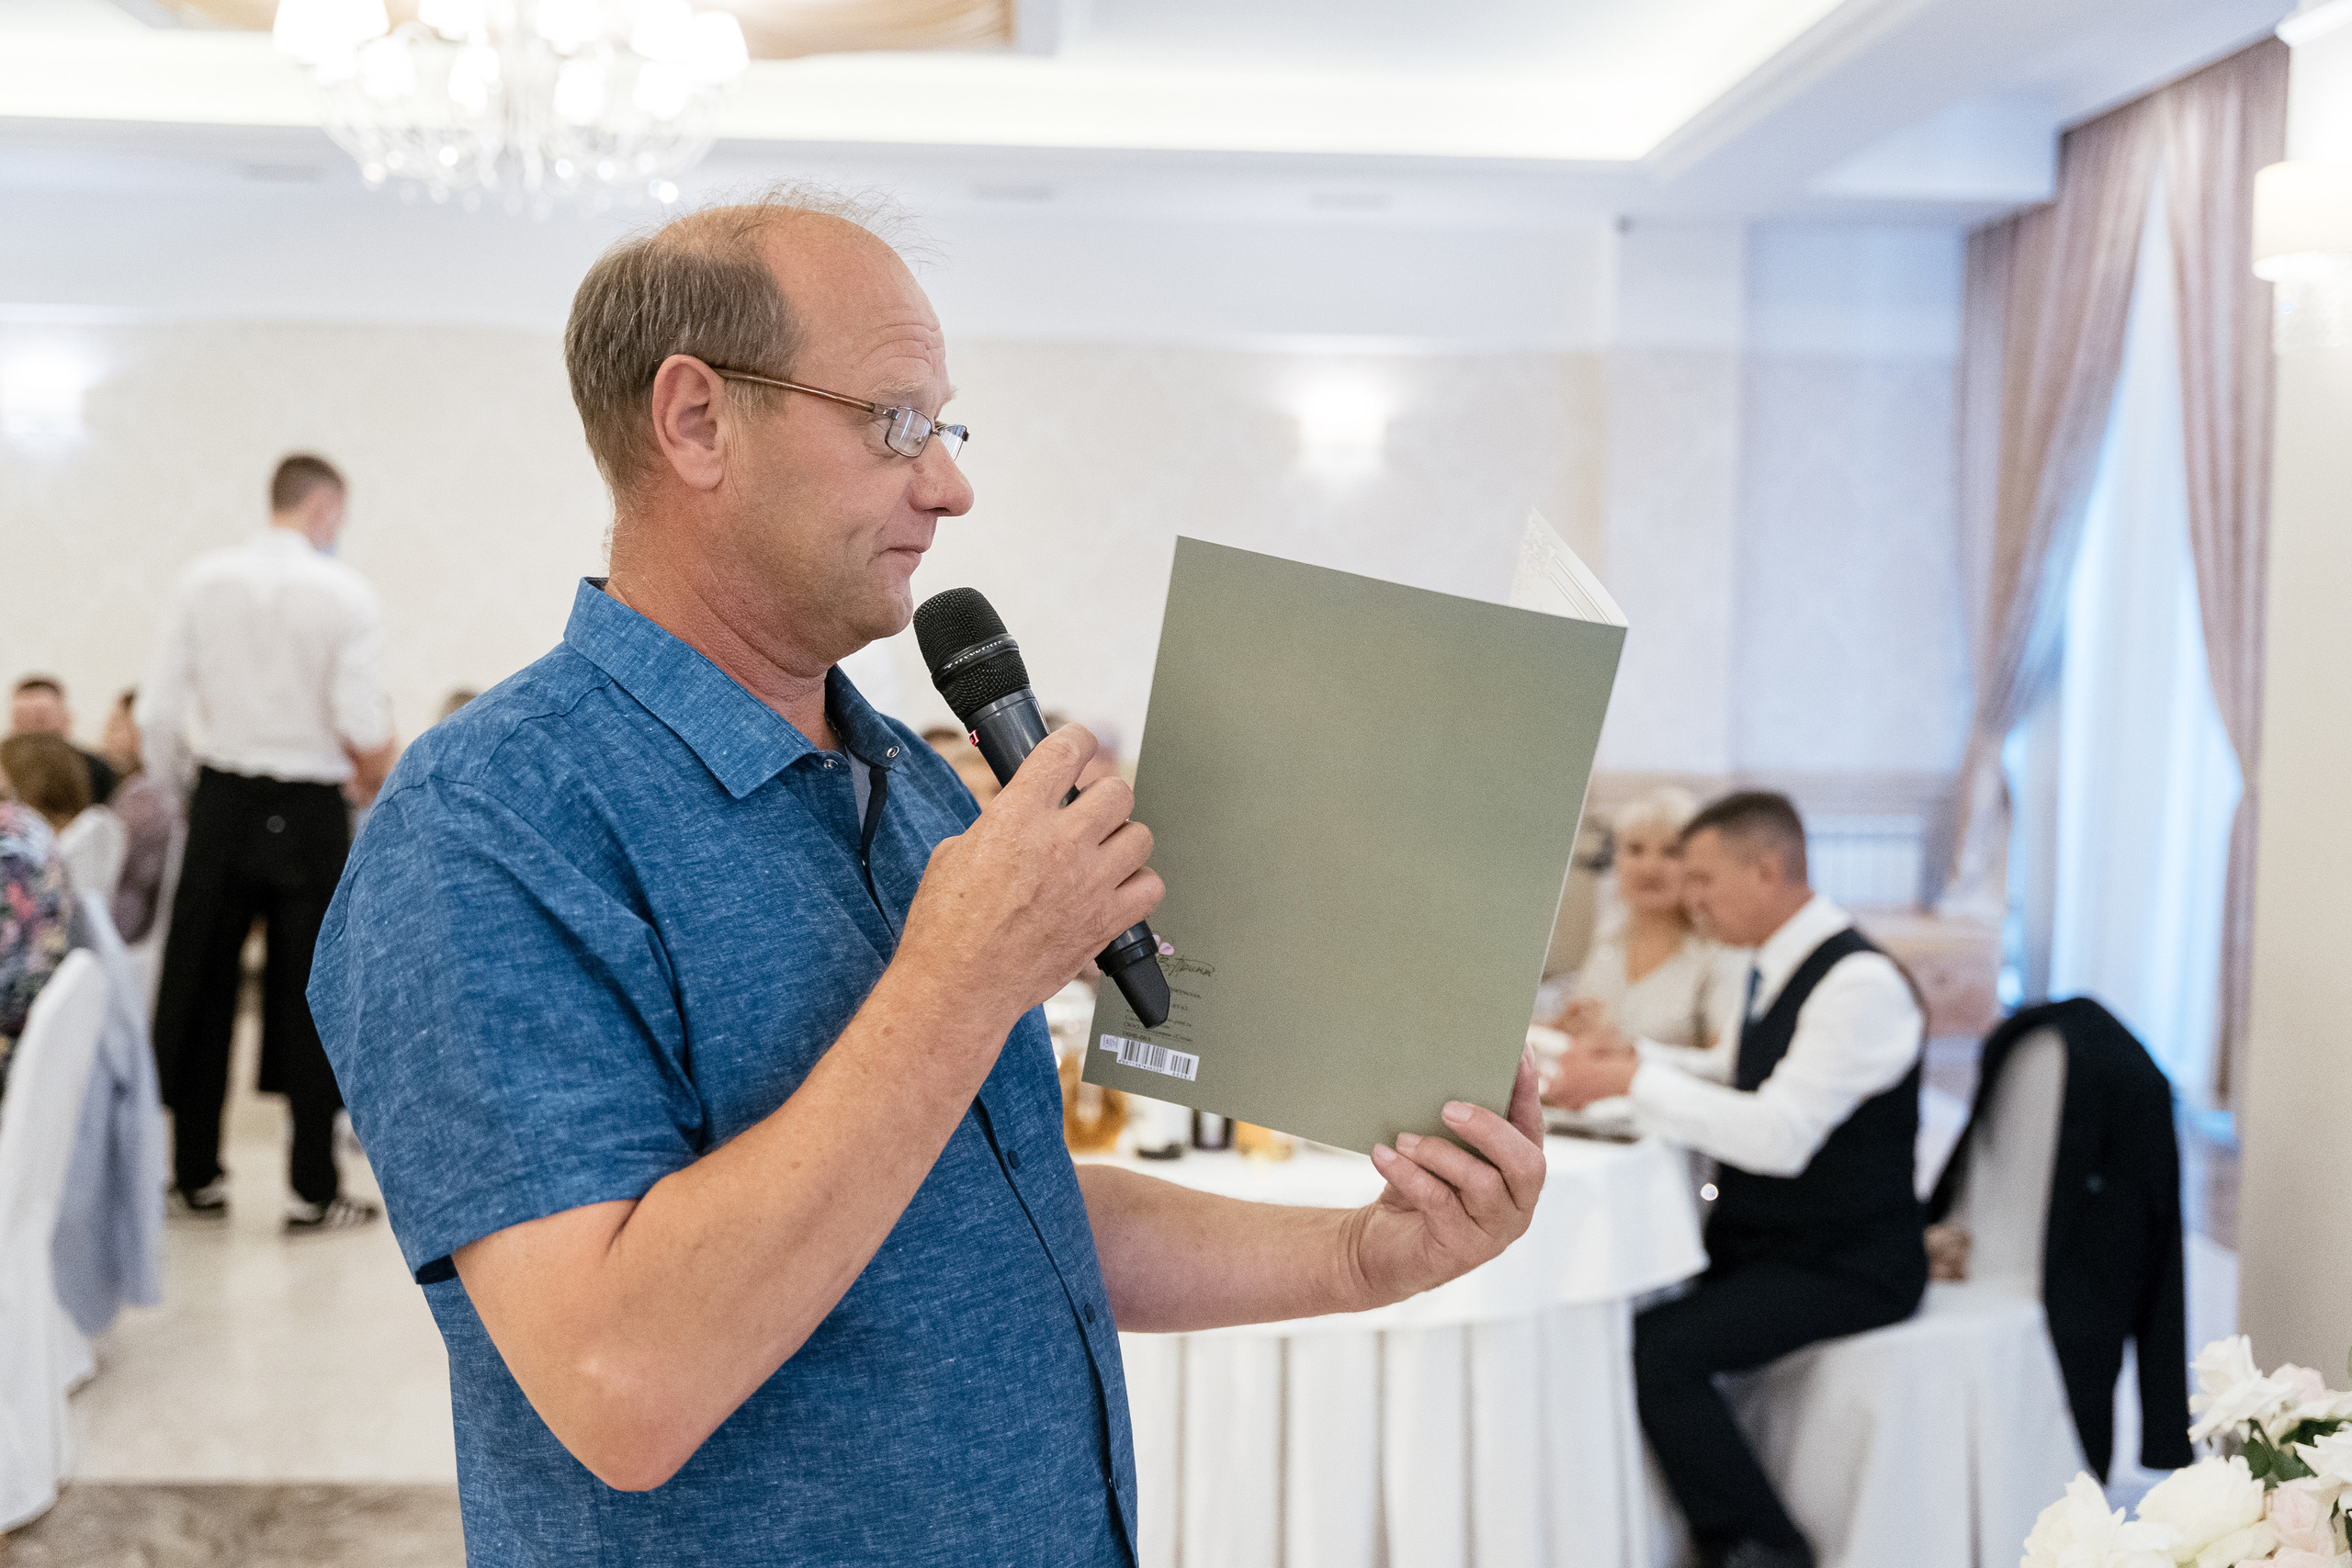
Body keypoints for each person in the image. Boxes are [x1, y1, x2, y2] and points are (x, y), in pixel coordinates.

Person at [307, 189, 1547, 1567]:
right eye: (897, 422)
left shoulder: (895, 769)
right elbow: (621, 1380)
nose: (950, 485)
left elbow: (995, 1201)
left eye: (945, 430)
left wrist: (1356, 1257)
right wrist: (962, 976)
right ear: (697, 418)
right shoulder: (491, 817)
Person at [1547, 791, 1925, 1568]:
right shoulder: (1776, 964)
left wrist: (1629, 1085)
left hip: (1850, 1262)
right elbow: (1732, 1074)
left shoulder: (1858, 986)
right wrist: (1632, 1063)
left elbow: (1780, 1135)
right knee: (1621, 1304)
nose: (1692, 899)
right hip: (1779, 1243)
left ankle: (1764, 1545)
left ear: (1768, 868)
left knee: (1658, 1349)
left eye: (1705, 879)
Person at [140, 453, 397, 1233]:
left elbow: (156, 715)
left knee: (202, 986)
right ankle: (310, 1188)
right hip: (311, 804)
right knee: (312, 997)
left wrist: (194, 796)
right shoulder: (346, 592)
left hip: (221, 795)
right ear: (324, 508)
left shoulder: (200, 581)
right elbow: (360, 722)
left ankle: (193, 1176)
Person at [1545, 787, 1747, 1059]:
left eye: (1671, 852)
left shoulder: (1718, 954)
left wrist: (1631, 1055)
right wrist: (1561, 1027)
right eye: (1635, 850)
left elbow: (1726, 1066)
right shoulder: (1607, 938)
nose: (1650, 867)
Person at [0, 789, 74, 1097]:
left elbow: (9, 993)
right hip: (36, 1037)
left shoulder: (10, 853)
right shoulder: (27, 823)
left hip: (13, 1043)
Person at [97, 689, 175, 942]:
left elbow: (110, 865)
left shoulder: (143, 796)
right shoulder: (146, 790)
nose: (107, 730)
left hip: (123, 921)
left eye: (118, 723)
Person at [10, 674, 116, 807]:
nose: (31, 732)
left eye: (40, 720)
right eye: (21, 721)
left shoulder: (94, 772)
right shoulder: (4, 769)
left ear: (66, 720)